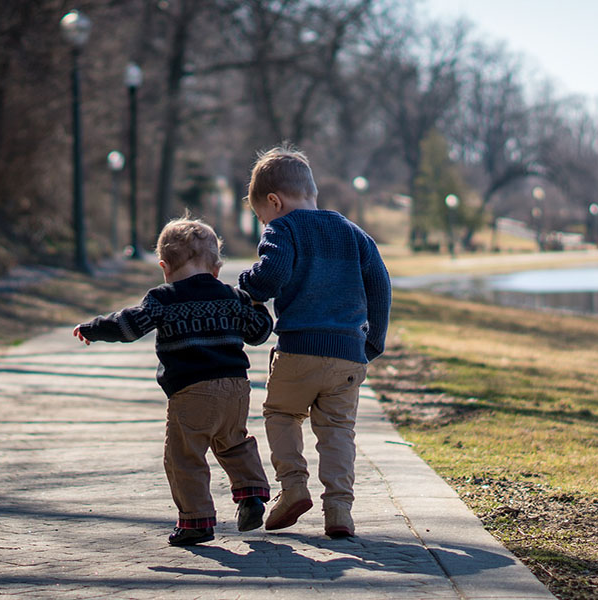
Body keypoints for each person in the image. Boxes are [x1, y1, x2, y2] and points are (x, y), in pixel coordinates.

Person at [73, 217, 273, 546]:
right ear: (216, 267)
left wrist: (94, 328)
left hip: (192, 391)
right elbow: (258, 332)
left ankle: (196, 521)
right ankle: (251, 495)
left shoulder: (163, 298)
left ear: (164, 266)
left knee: (184, 456)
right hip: (236, 388)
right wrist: (258, 305)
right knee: (234, 442)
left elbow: (129, 326)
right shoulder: (231, 296)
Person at [238, 145, 391, 538]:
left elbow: (270, 277)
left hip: (299, 350)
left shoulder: (283, 228)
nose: (263, 222)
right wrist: (373, 341)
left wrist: (247, 284)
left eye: (261, 216)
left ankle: (293, 488)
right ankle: (339, 510)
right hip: (348, 355)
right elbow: (380, 285)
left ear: (275, 201)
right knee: (338, 429)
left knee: (281, 414)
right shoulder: (352, 232)